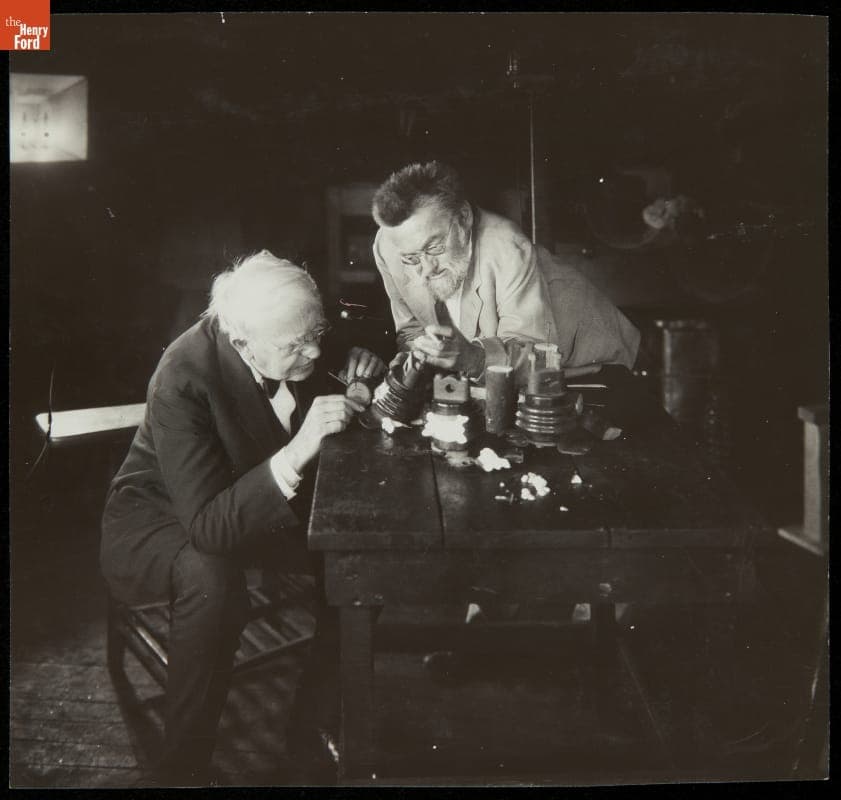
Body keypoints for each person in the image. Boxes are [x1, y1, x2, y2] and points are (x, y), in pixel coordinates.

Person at [100, 250, 385, 785]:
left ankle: (311, 727)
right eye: (296, 346)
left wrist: (362, 358)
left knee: (357, 555)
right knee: (213, 577)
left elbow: (328, 341)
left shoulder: (284, 330)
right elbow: (208, 527)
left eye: (317, 331)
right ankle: (180, 770)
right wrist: (300, 448)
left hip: (247, 498)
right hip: (162, 518)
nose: (316, 349)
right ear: (241, 344)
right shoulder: (182, 377)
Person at [371, 160, 640, 384]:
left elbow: (536, 357)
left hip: (589, 364)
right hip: (506, 374)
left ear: (463, 217)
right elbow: (411, 330)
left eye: (435, 247)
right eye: (411, 258)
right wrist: (414, 359)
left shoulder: (507, 246)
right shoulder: (388, 246)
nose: (426, 269)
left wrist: (472, 359)